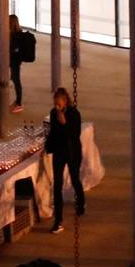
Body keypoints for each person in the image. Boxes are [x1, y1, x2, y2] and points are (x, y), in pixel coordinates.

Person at [45, 87, 85, 231]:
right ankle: (58, 220)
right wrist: (47, 147)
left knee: (74, 178)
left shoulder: (74, 114)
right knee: (57, 184)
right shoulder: (53, 113)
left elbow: (75, 134)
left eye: (59, 102)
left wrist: (64, 123)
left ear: (65, 101)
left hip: (73, 151)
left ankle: (81, 203)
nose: (57, 105)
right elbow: (53, 133)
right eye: (55, 102)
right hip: (59, 152)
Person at [7, 13, 31, 111]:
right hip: (15, 60)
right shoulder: (16, 33)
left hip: (15, 61)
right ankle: (17, 101)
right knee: (14, 78)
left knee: (16, 81)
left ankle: (19, 103)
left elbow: (15, 49)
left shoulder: (16, 35)